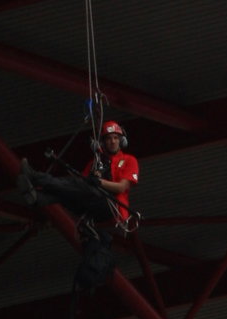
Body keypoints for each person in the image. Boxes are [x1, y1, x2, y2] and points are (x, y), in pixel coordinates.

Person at [19, 119, 139, 307]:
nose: (112, 141)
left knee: (75, 186)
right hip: (93, 208)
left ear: (121, 140)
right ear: (103, 142)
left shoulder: (129, 160)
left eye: (116, 138)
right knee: (69, 194)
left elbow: (121, 187)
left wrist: (98, 182)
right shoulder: (95, 163)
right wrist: (92, 179)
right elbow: (79, 187)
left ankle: (37, 178)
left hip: (112, 208)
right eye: (108, 138)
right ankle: (38, 198)